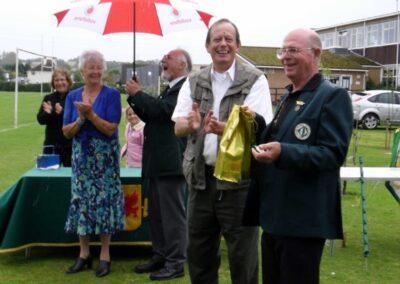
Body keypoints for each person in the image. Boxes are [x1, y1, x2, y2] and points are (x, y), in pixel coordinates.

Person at [247, 29, 353, 284]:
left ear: (316, 54)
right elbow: (279, 138)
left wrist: (284, 152)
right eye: (282, 51)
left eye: (293, 50)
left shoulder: (332, 96)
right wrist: (251, 124)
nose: (285, 57)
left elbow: (331, 154)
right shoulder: (289, 96)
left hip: (302, 223)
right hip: (274, 217)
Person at [172, 18, 273, 284]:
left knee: (243, 259)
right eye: (217, 39)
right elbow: (179, 126)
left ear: (238, 45)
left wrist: (222, 128)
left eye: (229, 39)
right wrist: (190, 125)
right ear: (207, 46)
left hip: (240, 185)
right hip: (201, 182)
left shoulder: (255, 80)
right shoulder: (193, 80)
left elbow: (258, 126)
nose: (223, 44)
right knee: (199, 256)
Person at [125, 48, 191, 281]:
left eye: (168, 57)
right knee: (157, 214)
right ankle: (160, 255)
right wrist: (134, 96)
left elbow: (165, 112)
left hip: (171, 162)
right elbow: (152, 115)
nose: (163, 59)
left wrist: (139, 94)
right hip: (158, 162)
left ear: (182, 64)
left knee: (172, 216)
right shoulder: (171, 88)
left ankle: (175, 262)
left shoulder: (185, 88)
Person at [62, 50, 124, 278]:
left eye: (99, 67)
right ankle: (84, 253)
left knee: (105, 201)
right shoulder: (72, 96)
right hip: (82, 159)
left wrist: (91, 115)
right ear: (82, 71)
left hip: (105, 160)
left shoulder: (112, 95)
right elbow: (66, 132)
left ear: (104, 70)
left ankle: (105, 255)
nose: (95, 71)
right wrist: (80, 118)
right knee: (82, 202)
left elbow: (110, 128)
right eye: (91, 67)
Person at [37, 68, 73, 166]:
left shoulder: (74, 97)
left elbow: (77, 119)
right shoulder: (48, 98)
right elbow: (40, 120)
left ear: (68, 81)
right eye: (56, 80)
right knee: (48, 176)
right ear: (53, 83)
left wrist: (62, 112)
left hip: (70, 145)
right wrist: (48, 113)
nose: (59, 82)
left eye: (62, 80)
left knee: (70, 178)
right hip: (51, 144)